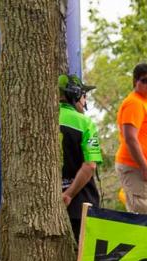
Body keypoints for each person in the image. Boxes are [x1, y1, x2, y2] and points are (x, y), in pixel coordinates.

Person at [115, 63, 147, 214]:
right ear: (135, 82)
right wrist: (144, 167)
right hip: (138, 169)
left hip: (144, 171)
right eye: (144, 80)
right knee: (143, 221)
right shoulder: (134, 103)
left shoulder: (144, 104)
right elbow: (130, 138)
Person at [58, 75, 101, 240]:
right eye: (84, 95)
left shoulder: (43, 119)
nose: (85, 101)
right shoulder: (85, 123)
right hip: (79, 205)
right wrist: (68, 194)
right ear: (75, 95)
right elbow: (90, 165)